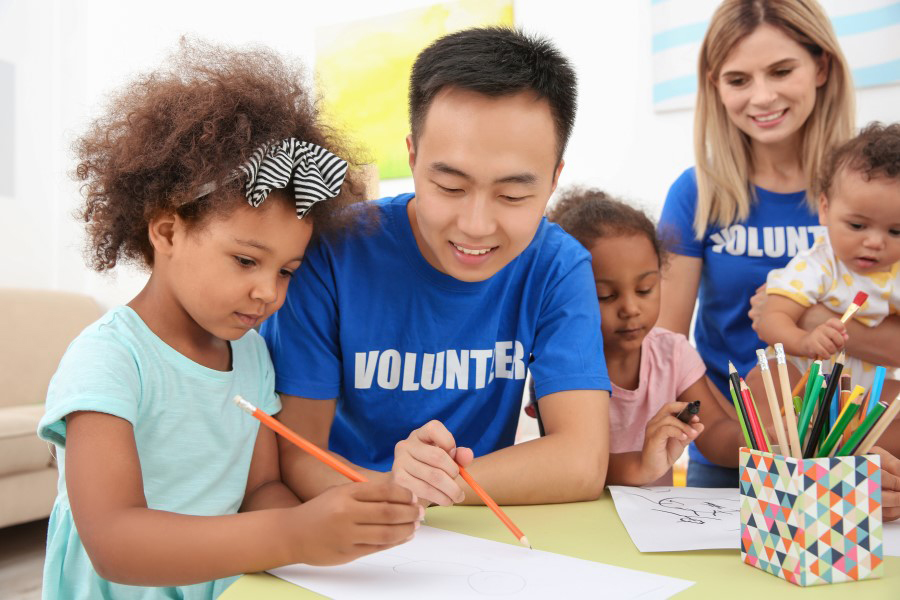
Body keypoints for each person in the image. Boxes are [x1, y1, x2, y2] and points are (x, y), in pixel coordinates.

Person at [37, 41, 422, 599]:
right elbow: (114, 542)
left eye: (288, 270)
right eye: (246, 260)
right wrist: (292, 535)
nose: (268, 292)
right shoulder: (110, 359)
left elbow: (263, 487)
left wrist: (330, 532)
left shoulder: (252, 355)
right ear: (166, 231)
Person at [262, 27, 610, 507]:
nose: (475, 225)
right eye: (449, 187)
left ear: (553, 180)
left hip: (478, 536)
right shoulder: (333, 252)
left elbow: (581, 462)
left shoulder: (557, 266)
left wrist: (428, 487)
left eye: (512, 195)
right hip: (345, 521)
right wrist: (392, 490)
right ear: (412, 156)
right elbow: (298, 455)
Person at [657, 0, 860, 487]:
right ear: (715, 86)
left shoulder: (870, 191)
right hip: (735, 448)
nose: (762, 97)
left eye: (781, 71)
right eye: (739, 79)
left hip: (852, 448)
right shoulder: (696, 194)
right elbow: (663, 342)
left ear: (821, 67)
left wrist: (801, 319)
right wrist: (725, 432)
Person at [533, 188, 746, 486]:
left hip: (656, 524)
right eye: (604, 295)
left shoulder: (673, 353)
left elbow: (712, 432)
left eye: (645, 289)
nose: (631, 309)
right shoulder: (560, 364)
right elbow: (570, 464)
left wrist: (756, 443)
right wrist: (642, 463)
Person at [754, 122, 900, 450]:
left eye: (896, 232)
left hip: (866, 391)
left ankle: (847, 453)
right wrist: (804, 340)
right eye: (857, 225)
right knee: (767, 380)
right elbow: (771, 319)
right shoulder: (817, 264)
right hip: (807, 380)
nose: (875, 242)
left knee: (893, 406)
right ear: (824, 209)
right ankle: (794, 448)